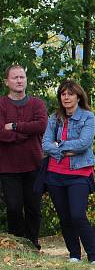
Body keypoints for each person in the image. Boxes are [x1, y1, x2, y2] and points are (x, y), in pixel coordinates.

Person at [41, 80, 95, 264]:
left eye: (70, 94)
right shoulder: (54, 118)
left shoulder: (88, 117)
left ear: (78, 96)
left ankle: (94, 256)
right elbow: (44, 144)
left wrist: (58, 146)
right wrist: (64, 149)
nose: (66, 97)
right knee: (64, 217)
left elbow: (84, 143)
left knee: (77, 215)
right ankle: (74, 254)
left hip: (79, 173)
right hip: (54, 174)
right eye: (63, 94)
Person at [0, 64, 47, 250]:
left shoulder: (37, 104)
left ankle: (33, 244)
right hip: (8, 166)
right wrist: (25, 133)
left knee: (34, 208)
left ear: (26, 80)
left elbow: (41, 126)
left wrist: (15, 127)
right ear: (6, 81)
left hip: (33, 164)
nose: (19, 81)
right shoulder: (1, 104)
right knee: (13, 207)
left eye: (22, 77)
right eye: (15, 78)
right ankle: (18, 244)